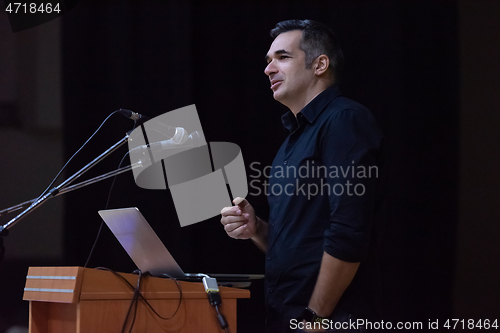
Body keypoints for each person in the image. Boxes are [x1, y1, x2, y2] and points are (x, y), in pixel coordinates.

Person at [221, 20, 382, 332]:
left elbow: (349, 232)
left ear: (320, 64)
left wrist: (316, 317)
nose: (268, 69)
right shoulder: (292, 140)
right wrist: (257, 229)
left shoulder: (344, 120)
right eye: (268, 61)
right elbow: (299, 246)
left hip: (331, 320)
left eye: (282, 57)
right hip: (288, 316)